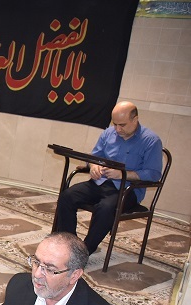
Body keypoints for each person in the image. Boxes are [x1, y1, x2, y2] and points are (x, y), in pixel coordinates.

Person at [54, 101, 163, 254]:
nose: (117, 129)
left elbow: (154, 174)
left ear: (135, 119)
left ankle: (84, 251)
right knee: (67, 196)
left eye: (122, 125)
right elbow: (94, 157)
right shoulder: (108, 133)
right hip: (101, 183)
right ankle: (69, 245)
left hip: (128, 190)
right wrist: (93, 166)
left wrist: (123, 174)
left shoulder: (151, 141)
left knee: (105, 208)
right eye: (115, 124)